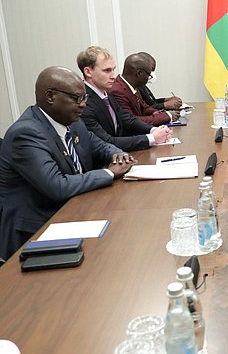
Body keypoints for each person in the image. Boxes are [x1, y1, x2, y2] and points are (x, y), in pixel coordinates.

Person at [0, 67, 134, 260]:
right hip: (35, 232)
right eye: (76, 98)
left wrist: (118, 154)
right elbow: (58, 186)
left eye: (85, 98)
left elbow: (101, 146)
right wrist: (110, 173)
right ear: (50, 96)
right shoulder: (25, 134)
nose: (83, 106)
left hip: (72, 213)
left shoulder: (73, 123)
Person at [78, 46, 172, 151]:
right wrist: (152, 138)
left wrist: (154, 130)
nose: (113, 76)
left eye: (113, 70)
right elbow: (107, 141)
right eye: (107, 71)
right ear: (88, 72)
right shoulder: (83, 103)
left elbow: (127, 119)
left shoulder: (105, 94)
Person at [110, 53, 180, 126]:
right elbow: (131, 121)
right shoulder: (117, 91)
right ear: (139, 73)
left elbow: (144, 107)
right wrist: (167, 116)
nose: (148, 78)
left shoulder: (133, 85)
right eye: (149, 75)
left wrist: (156, 112)